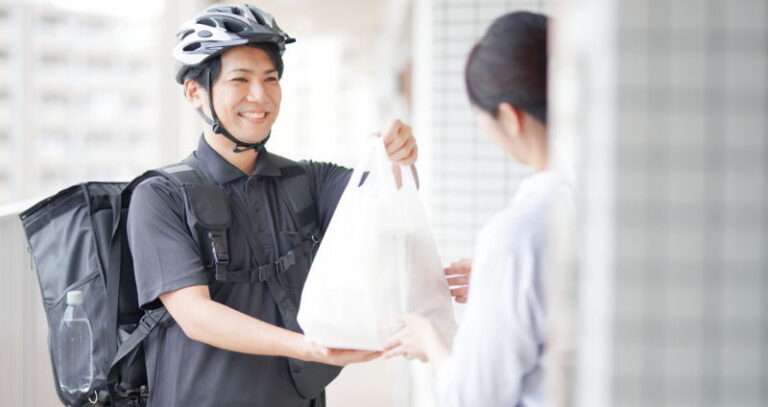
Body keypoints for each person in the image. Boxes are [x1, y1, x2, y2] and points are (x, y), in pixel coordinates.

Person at [127, 4, 418, 406]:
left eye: (270, 78)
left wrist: (399, 159)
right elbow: (196, 315)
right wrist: (309, 347)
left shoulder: (309, 180)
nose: (260, 96)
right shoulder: (160, 195)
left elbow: (392, 210)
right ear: (195, 91)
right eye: (240, 79)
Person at [383, 11, 573, 407]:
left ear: (509, 116)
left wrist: (430, 342)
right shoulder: (608, 201)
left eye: (480, 115)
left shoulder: (517, 235)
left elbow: (475, 396)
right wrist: (498, 282)